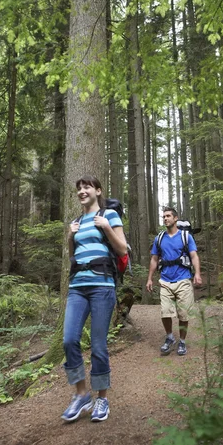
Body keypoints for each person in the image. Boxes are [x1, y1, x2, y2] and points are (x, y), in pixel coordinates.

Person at [61, 175, 127, 423]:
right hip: (78, 287)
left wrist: (106, 227)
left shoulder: (109, 216)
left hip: (102, 286)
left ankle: (102, 398)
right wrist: (70, 236)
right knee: (69, 340)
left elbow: (122, 249)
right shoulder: (76, 221)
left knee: (98, 346)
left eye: (87, 187)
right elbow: (72, 258)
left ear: (98, 191)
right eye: (78, 188)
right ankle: (81, 394)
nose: (82, 191)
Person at [146, 207, 202, 356]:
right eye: (163, 216)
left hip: (183, 279)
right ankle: (170, 337)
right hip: (165, 280)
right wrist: (150, 278)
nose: (165, 218)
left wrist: (197, 273)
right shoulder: (159, 238)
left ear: (175, 218)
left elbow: (194, 256)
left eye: (168, 216)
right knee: (165, 312)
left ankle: (182, 341)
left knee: (183, 314)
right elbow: (154, 259)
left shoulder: (186, 237)